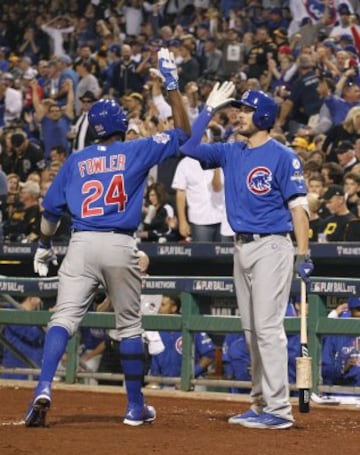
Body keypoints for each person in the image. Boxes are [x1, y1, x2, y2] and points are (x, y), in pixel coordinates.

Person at [24, 47, 190, 428]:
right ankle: (134, 407)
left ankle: (43, 387)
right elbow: (182, 132)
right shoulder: (135, 148)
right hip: (119, 243)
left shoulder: (76, 160)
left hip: (80, 244)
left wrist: (44, 244)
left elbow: (50, 212)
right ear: (120, 124)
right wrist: (172, 87)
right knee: (130, 326)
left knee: (63, 318)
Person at [180, 83, 313, 429]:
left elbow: (299, 208)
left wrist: (303, 252)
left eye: (247, 110)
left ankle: (280, 410)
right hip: (241, 246)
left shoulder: (284, 156)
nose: (239, 114)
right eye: (238, 109)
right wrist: (207, 109)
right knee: (252, 331)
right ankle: (261, 403)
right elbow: (189, 146)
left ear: (265, 116)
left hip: (273, 245)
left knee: (268, 329)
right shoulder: (230, 151)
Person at [148, 295, 215, 389]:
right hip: (166, 383)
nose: (159, 309)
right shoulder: (157, 330)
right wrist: (154, 379)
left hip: (194, 381)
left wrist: (188, 376)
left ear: (174, 308)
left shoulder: (190, 324)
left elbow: (208, 356)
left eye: (163, 305)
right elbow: (155, 357)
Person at [1, 296, 44, 380]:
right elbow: (32, 335)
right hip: (15, 373)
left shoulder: (35, 316)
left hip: (35, 372)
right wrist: (49, 319)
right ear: (31, 298)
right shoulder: (12, 312)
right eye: (39, 297)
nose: (40, 301)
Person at [322, 296, 360, 388]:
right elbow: (325, 370)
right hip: (343, 393)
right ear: (350, 310)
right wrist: (343, 368)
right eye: (359, 309)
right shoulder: (337, 332)